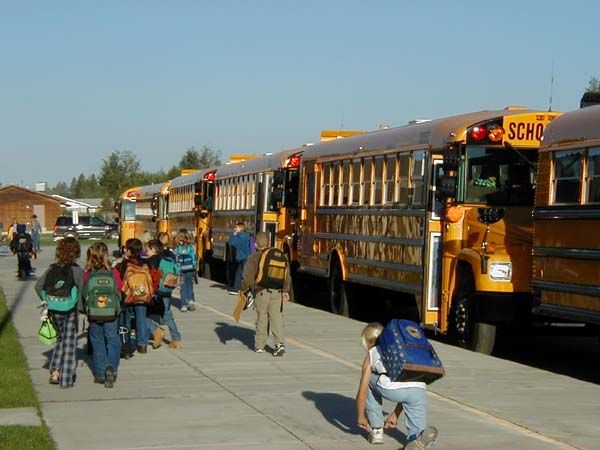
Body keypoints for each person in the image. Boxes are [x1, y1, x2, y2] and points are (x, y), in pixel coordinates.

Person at [356, 322, 438, 449]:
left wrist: (361, 416)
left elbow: (361, 393)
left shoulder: (372, 353)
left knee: (369, 382)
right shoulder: (402, 350)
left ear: (367, 342)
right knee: (417, 429)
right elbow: (406, 385)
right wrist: (395, 414)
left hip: (391, 388)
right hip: (419, 388)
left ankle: (376, 430)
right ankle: (419, 441)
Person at [35, 237, 84, 389]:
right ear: (76, 252)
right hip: (69, 310)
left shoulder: (52, 269)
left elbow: (38, 286)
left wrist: (46, 301)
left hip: (53, 309)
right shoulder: (77, 270)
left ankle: (55, 371)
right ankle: (67, 378)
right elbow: (81, 292)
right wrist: (81, 309)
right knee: (69, 343)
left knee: (59, 340)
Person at [240, 232, 291, 357]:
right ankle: (279, 344)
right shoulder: (278, 256)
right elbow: (287, 275)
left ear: (256, 244)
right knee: (276, 317)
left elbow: (247, 276)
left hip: (261, 291)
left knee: (262, 317)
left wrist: (246, 289)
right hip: (277, 292)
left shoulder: (253, 257)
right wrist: (285, 290)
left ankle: (260, 345)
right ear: (268, 243)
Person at [83, 242, 122, 388]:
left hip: (94, 313)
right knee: (113, 340)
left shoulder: (88, 274)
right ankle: (111, 367)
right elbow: (119, 289)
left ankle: (100, 374)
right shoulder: (113, 273)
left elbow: (84, 294)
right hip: (111, 313)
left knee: (97, 340)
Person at [117, 238, 158, 354]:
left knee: (128, 320)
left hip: (129, 296)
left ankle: (129, 342)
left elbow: (119, 281)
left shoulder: (125, 264)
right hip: (143, 296)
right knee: (141, 318)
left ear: (129, 250)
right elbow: (155, 277)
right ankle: (143, 344)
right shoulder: (146, 263)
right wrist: (150, 291)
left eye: (126, 248)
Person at [145, 239, 182, 349]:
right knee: (167, 315)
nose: (146, 252)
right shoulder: (169, 256)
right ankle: (176, 339)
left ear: (153, 249)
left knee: (143, 315)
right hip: (167, 290)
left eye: (147, 250)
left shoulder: (152, 260)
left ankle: (156, 331)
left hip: (156, 292)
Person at [174, 229, 197, 312]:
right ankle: (187, 302)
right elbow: (194, 258)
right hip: (187, 269)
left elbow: (176, 259)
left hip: (185, 269)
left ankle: (186, 303)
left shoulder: (181, 248)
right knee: (186, 286)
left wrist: (176, 269)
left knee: (185, 286)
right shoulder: (189, 248)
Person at [226, 223, 251, 295]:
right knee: (239, 273)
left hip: (245, 258)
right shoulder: (245, 235)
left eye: (236, 228)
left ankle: (245, 289)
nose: (235, 229)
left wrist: (234, 234)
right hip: (244, 257)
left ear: (241, 228)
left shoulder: (241, 237)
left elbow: (231, 242)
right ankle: (236, 289)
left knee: (244, 274)